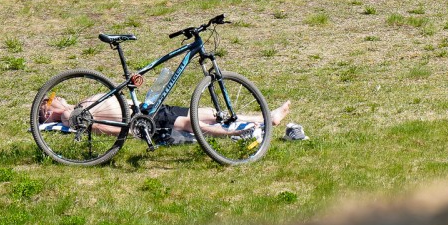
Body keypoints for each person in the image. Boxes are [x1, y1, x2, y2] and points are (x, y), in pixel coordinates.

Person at [39, 94, 291, 137]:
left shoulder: (79, 105)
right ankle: (235, 133)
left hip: (146, 109)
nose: (58, 98)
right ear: (49, 112)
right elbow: (102, 128)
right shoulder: (68, 116)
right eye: (52, 100)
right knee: (191, 123)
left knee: (208, 112)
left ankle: (267, 117)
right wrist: (131, 132)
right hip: (140, 119)